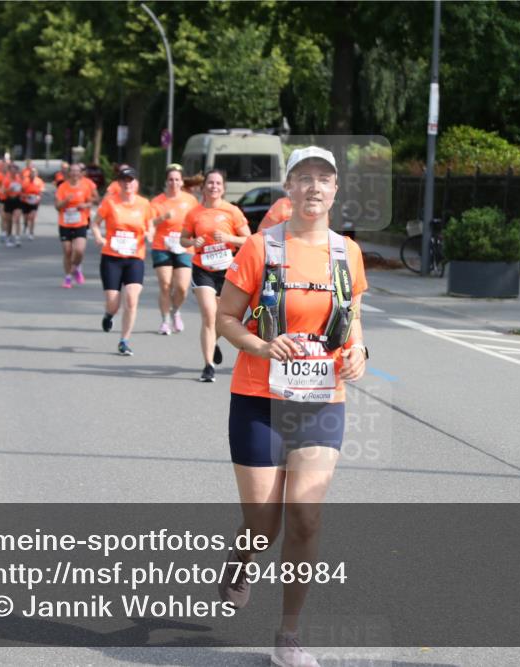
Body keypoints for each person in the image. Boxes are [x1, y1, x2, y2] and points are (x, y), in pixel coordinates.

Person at [214, 147, 369, 667]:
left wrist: (359, 353)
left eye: (324, 179)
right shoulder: (260, 248)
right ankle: (242, 556)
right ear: (289, 187)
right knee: (263, 525)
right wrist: (262, 346)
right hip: (258, 400)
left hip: (322, 401)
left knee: (305, 517)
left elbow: (352, 317)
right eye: (304, 178)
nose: (314, 187)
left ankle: (289, 636)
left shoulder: (348, 252)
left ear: (335, 190)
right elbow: (226, 319)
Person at [181, 169, 251, 381]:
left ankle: (213, 342)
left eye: (218, 183)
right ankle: (208, 366)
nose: (214, 187)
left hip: (228, 270)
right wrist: (193, 242)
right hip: (203, 269)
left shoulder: (232, 211)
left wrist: (229, 238)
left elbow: (249, 240)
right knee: (209, 315)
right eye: (210, 183)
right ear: (203, 187)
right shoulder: (194, 213)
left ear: (223, 187)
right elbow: (183, 240)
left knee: (222, 319)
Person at [91, 167, 154, 356]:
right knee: (113, 302)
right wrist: (98, 237)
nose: (128, 183)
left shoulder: (144, 204)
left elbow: (150, 225)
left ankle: (124, 340)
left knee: (132, 299)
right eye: (124, 180)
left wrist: (150, 234)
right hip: (112, 257)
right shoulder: (110, 202)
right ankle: (109, 314)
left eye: (131, 180)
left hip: (135, 257)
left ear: (136, 183)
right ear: (119, 183)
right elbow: (95, 223)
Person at [150, 164, 198, 335]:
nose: (174, 183)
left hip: (184, 245)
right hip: (162, 246)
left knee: (182, 287)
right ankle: (165, 321)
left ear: (182, 182)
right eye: (171, 179)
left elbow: (196, 221)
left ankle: (175, 310)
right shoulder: (157, 201)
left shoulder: (190, 200)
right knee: (165, 284)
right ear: (166, 181)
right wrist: (163, 217)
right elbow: (149, 223)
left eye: (177, 179)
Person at [55, 163, 94, 288]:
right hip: (65, 223)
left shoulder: (85, 186)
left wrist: (84, 205)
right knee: (67, 251)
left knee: (79, 250)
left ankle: (76, 267)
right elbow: (57, 206)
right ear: (69, 173)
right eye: (72, 171)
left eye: (77, 171)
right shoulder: (62, 187)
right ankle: (68, 277)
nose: (75, 173)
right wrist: (66, 201)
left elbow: (91, 202)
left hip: (80, 222)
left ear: (80, 173)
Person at [2, 163, 25, 247]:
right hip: (9, 200)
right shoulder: (6, 179)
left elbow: (23, 189)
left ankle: (17, 237)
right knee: (9, 220)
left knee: (17, 218)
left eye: (15, 169)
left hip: (17, 200)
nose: (14, 171)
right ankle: (8, 236)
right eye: (12, 169)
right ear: (9, 171)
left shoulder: (19, 179)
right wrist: (9, 189)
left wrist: (22, 192)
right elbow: (3, 191)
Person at [20, 168, 45, 240]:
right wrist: (26, 196)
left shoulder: (39, 181)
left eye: (34, 172)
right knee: (26, 217)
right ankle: (25, 225)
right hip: (25, 201)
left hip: (35, 202)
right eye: (32, 172)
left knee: (32, 217)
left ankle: (31, 233)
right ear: (30, 174)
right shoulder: (25, 181)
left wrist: (38, 196)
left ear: (36, 174)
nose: (33, 174)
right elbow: (21, 192)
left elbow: (41, 191)